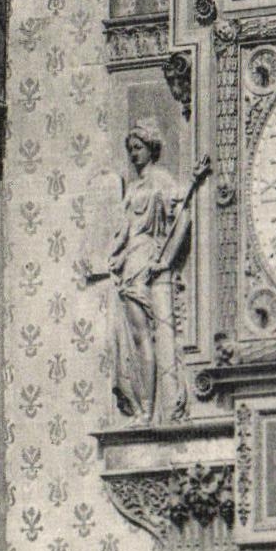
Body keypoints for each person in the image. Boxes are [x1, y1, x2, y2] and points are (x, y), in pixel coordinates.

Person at [87, 121, 208, 424]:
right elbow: (123, 231)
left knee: (146, 337)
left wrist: (167, 260)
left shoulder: (161, 180)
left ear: (151, 148)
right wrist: (112, 257)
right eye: (130, 149)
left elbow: (183, 218)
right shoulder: (135, 187)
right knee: (135, 337)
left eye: (138, 148)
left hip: (147, 259)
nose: (133, 155)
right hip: (129, 262)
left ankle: (151, 409)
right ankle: (143, 407)